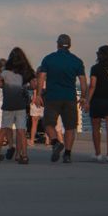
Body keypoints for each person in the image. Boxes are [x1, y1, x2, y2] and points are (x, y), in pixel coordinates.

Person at [35, 34, 86, 164]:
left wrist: (39, 94)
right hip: (70, 97)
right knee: (70, 127)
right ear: (69, 45)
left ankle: (55, 142)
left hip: (52, 97)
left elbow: (41, 78)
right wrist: (84, 97)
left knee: (48, 123)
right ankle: (67, 155)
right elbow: (83, 81)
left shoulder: (48, 59)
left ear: (57, 44)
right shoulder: (77, 61)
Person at [0, 48, 34, 164]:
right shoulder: (26, 70)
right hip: (20, 104)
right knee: (21, 131)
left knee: (4, 129)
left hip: (8, 104)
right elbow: (34, 85)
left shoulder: (6, 71)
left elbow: (0, 84)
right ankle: (23, 156)